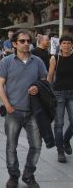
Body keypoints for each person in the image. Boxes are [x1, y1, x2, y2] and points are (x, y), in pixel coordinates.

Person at [0, 30, 47, 188]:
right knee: (11, 146)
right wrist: (7, 106)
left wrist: (38, 88)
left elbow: (45, 83)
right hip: (14, 111)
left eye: (28, 41)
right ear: (14, 44)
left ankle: (28, 175)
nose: (26, 43)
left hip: (33, 112)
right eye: (23, 41)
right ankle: (13, 175)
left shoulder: (38, 61)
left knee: (37, 146)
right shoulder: (6, 62)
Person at [47, 35, 73, 163]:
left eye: (69, 43)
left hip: (72, 93)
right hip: (58, 93)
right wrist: (47, 91)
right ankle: (60, 151)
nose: (66, 45)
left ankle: (66, 139)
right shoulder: (55, 58)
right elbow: (50, 76)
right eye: (64, 43)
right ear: (60, 45)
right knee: (59, 124)